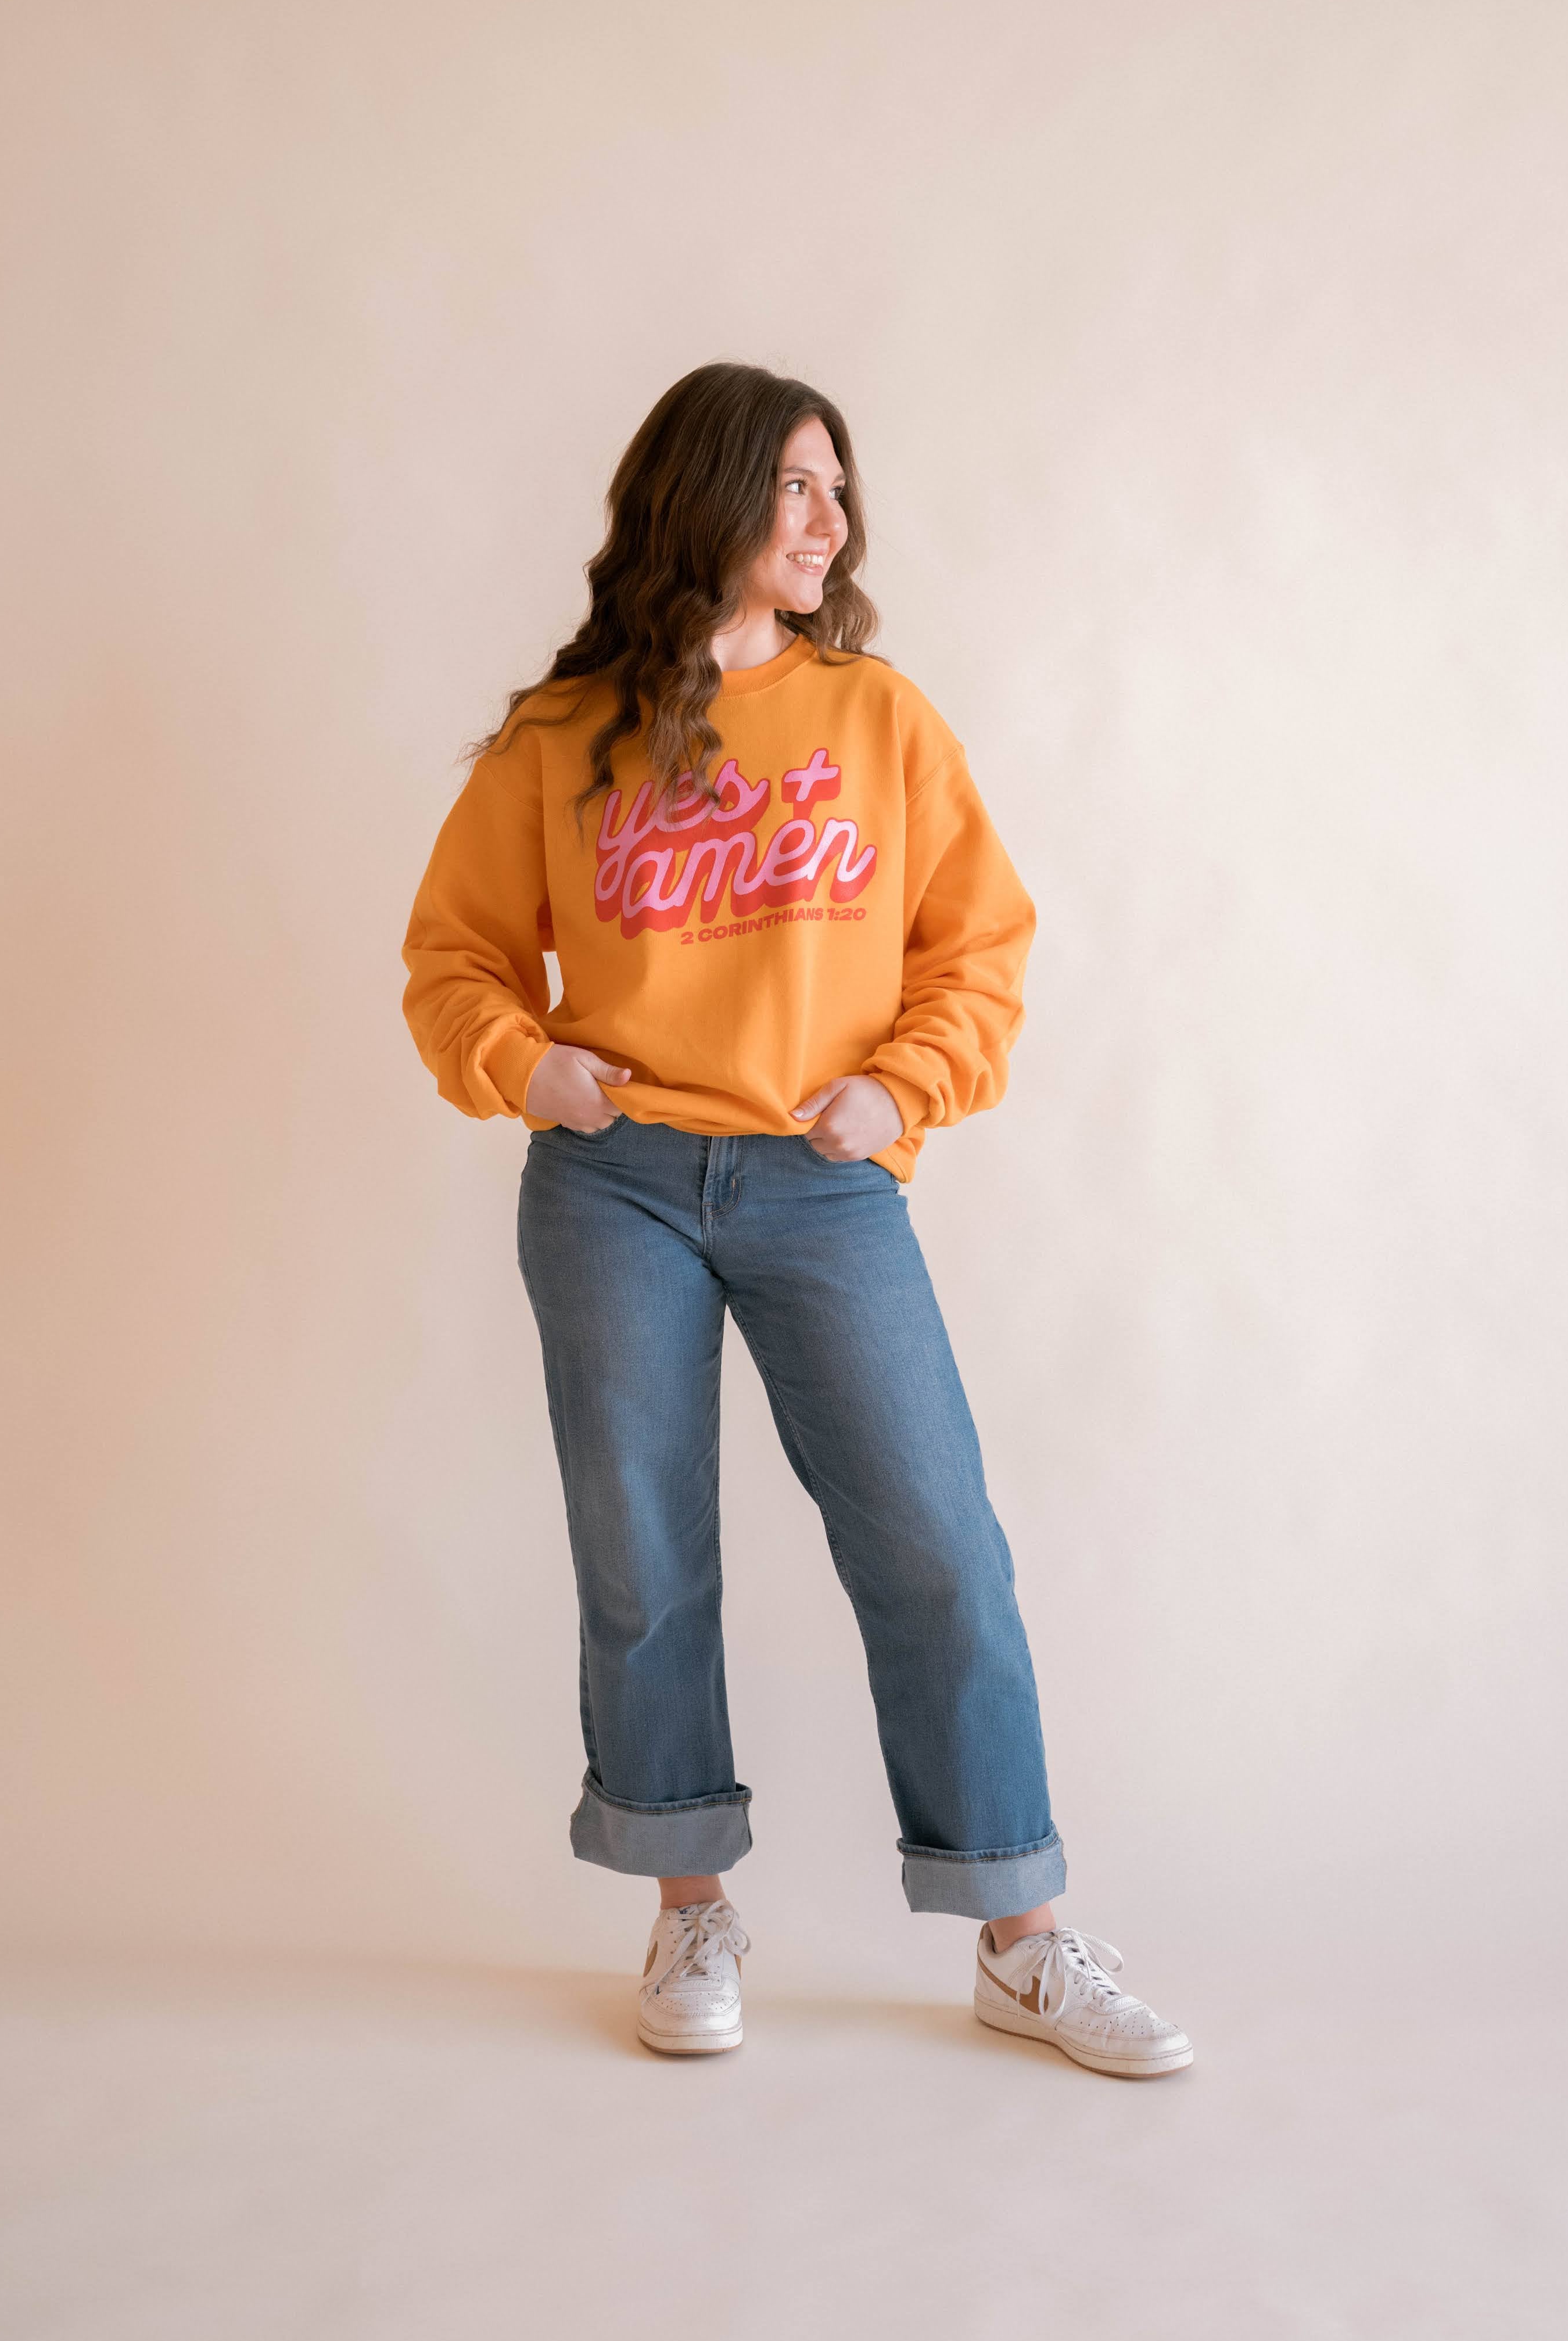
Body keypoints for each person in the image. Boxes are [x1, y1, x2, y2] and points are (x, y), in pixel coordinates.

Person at [401, 363, 1192, 2077]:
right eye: (796, 486)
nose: (831, 521)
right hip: (615, 1181)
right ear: (705, 496)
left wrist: (902, 1093)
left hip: (824, 1185)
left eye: (839, 489)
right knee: (642, 1552)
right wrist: (529, 1069)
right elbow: (453, 955)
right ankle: (690, 1907)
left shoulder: (876, 718)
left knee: (935, 1541)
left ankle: (1022, 1940)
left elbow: (978, 946)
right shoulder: (563, 737)